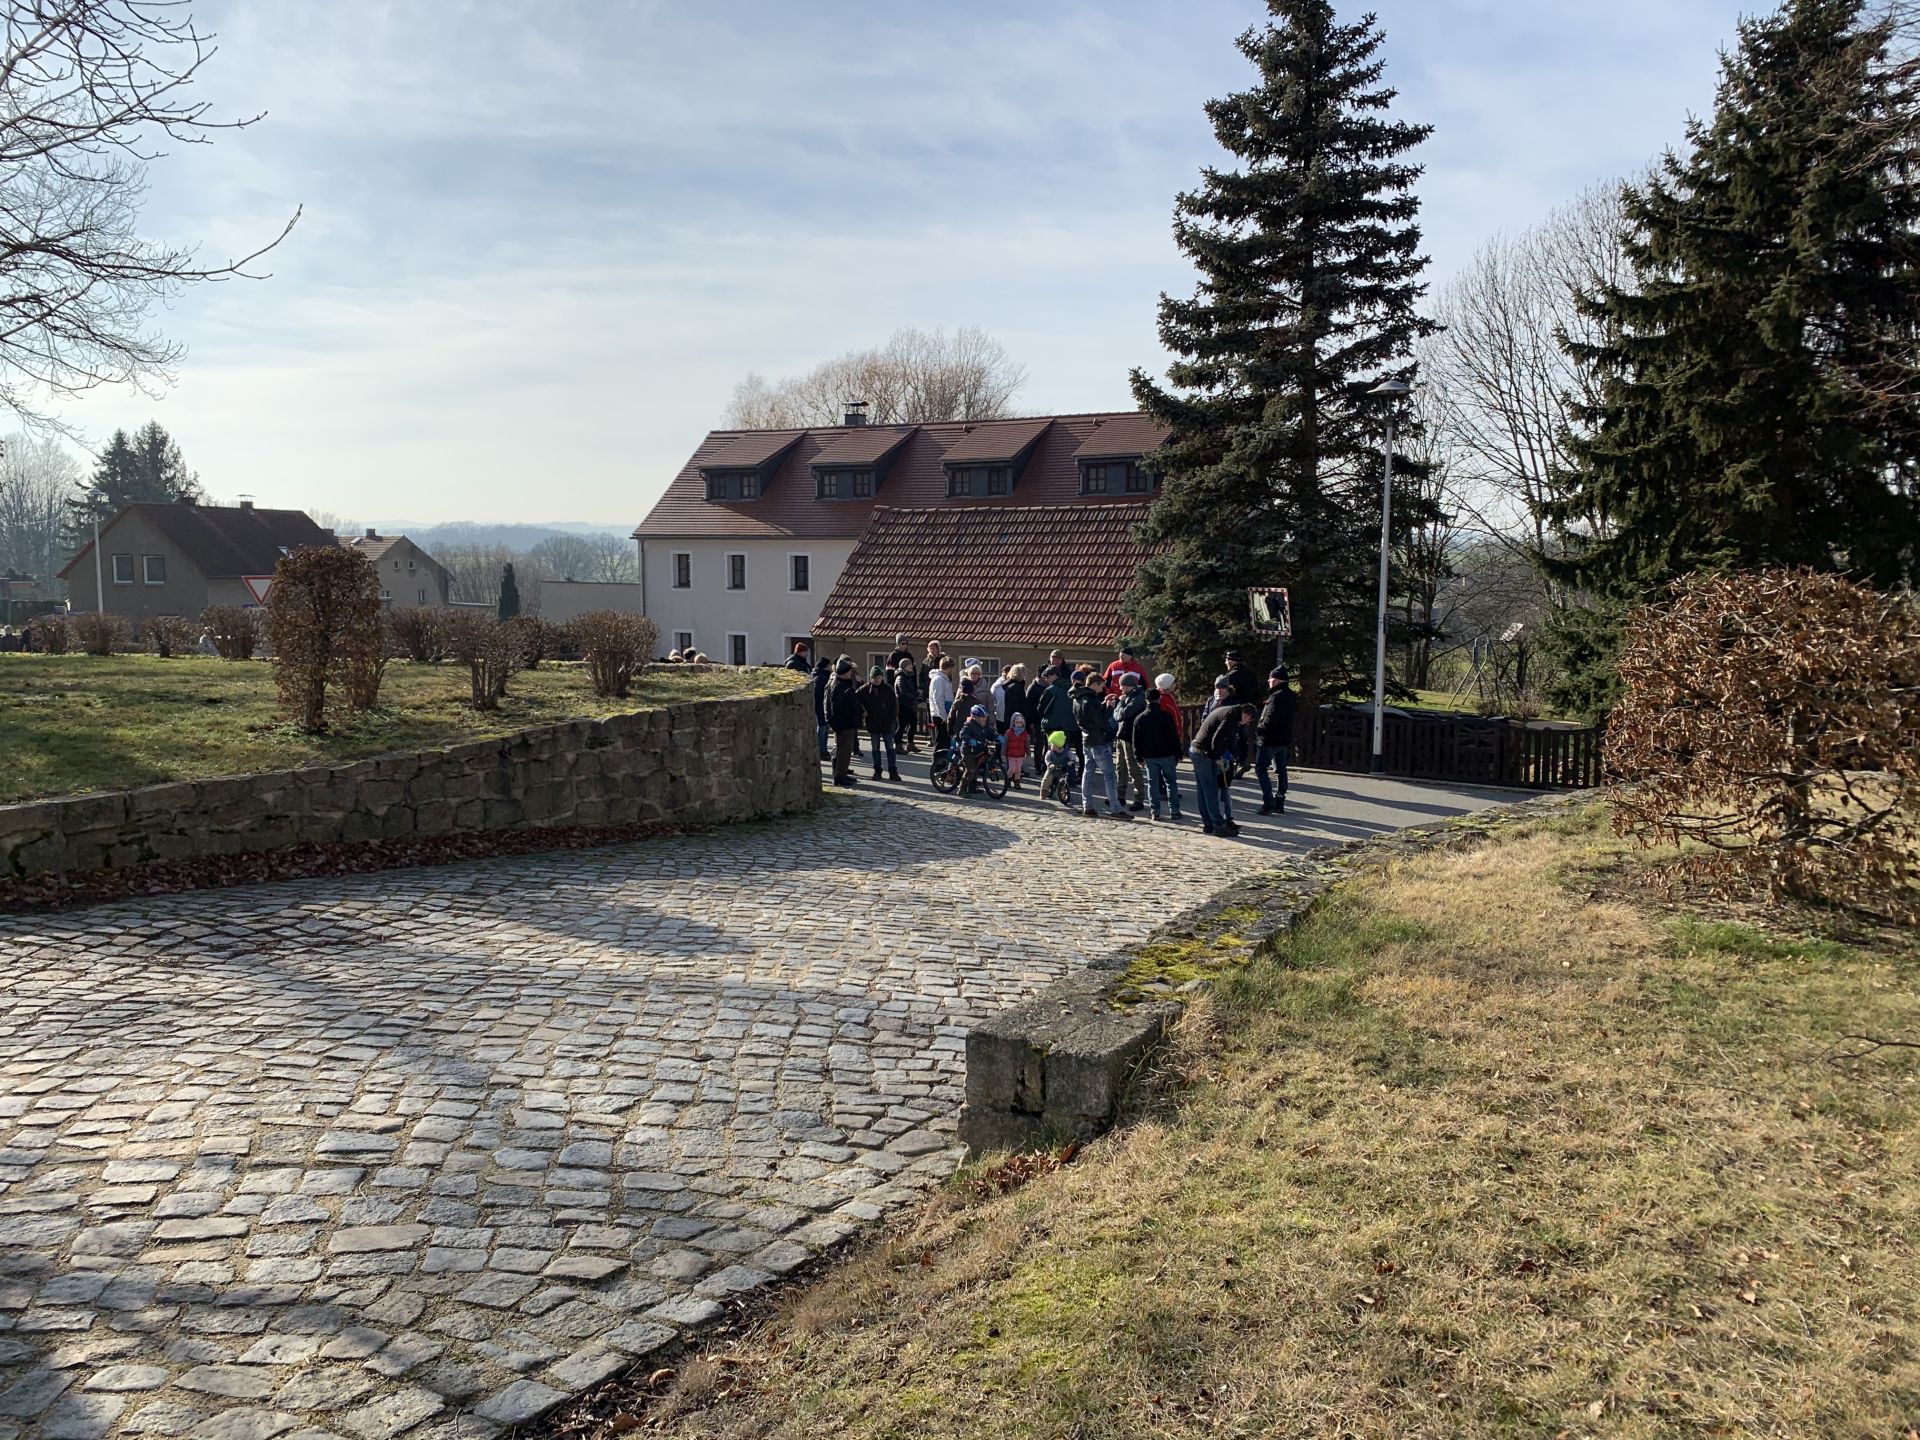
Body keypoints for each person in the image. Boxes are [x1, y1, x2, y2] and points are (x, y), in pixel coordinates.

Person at [1191, 679, 1250, 836]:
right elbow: (1219, 737)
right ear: (1245, 715)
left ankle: (1209, 823)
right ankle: (1218, 824)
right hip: (1204, 752)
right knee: (1210, 790)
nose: (1245, 724)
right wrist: (1217, 755)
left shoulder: (1227, 709)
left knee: (1203, 790)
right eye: (1247, 721)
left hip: (1198, 749)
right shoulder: (1231, 715)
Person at [1073, 669, 1130, 820]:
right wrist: (1110, 708)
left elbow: (1090, 717)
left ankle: (1088, 806)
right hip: (1099, 741)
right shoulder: (1090, 700)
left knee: (1088, 773)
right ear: (1095, 684)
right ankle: (1115, 808)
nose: (1102, 689)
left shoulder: (1078, 698)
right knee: (1109, 775)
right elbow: (1101, 723)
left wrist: (1104, 704)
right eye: (1101, 686)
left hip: (1087, 739)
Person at [1133, 679, 1184, 821]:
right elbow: (1173, 737)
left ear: (1146, 700)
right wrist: (1179, 753)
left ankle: (1155, 812)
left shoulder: (1140, 718)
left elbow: (1136, 740)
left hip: (1149, 756)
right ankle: (1175, 811)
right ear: (1159, 698)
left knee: (1152, 784)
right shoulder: (1166, 716)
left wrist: (1139, 757)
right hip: (1167, 754)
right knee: (1171, 783)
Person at [1256, 666, 1297, 814]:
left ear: (1278, 680)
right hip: (1284, 739)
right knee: (1281, 770)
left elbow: (1269, 718)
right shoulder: (1291, 695)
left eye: (1271, 678)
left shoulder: (1276, 696)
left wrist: (1258, 730)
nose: (1268, 681)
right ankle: (1280, 800)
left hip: (1269, 739)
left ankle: (1268, 801)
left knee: (1261, 769)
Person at [1111, 671, 1149, 811]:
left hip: (1131, 737)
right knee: (1120, 767)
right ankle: (1120, 796)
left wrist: (1119, 703)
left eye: (1122, 686)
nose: (1120, 688)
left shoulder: (1138, 698)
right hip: (1121, 735)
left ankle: (1139, 798)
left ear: (1129, 686)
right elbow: (1118, 715)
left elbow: (1122, 714)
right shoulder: (1128, 696)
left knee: (1133, 768)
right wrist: (1119, 706)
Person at [860, 666, 902, 782]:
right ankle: (877, 770)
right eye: (874, 678)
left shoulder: (888, 689)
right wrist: (862, 711)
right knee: (875, 749)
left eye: (879, 677)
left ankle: (893, 771)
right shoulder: (865, 690)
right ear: (871, 678)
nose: (877, 680)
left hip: (887, 723)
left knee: (890, 749)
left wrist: (892, 720)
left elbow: (894, 706)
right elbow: (855, 699)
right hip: (873, 724)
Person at [827, 660, 864, 787]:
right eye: (850, 671)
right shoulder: (838, 686)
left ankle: (842, 774)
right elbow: (835, 708)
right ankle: (839, 777)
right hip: (843, 725)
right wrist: (837, 724)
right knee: (843, 751)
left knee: (845, 752)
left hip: (847, 723)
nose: (851, 673)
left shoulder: (842, 684)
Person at [1039, 665, 1080, 774]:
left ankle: (1050, 774)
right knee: (1065, 751)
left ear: (1054, 675)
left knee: (1051, 751)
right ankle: (1068, 775)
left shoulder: (1050, 690)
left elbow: (1041, 708)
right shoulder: (1071, 688)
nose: (1047, 680)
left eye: (1047, 677)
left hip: (1051, 725)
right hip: (1068, 725)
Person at [955, 704, 996, 794]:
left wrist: (996, 737)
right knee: (971, 769)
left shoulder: (984, 726)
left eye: (985, 717)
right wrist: (970, 740)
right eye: (982, 717)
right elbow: (962, 733)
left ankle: (972, 788)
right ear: (976, 718)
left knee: (977, 768)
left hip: (978, 749)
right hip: (968, 750)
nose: (984, 719)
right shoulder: (969, 725)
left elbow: (989, 733)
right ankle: (961, 789)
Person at [927, 655, 957, 758]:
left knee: (945, 741)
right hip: (940, 715)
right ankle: (937, 764)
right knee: (941, 741)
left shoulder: (944, 679)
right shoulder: (939, 679)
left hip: (944, 712)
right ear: (949, 667)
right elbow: (938, 699)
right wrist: (944, 717)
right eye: (952, 669)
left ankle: (943, 763)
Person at [893, 656, 921, 752]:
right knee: (902, 725)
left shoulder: (908, 676)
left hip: (909, 704)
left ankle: (910, 743)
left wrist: (917, 694)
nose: (912, 667)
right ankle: (897, 745)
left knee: (913, 724)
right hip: (903, 705)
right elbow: (903, 692)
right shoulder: (900, 677)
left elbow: (910, 690)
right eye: (910, 665)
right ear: (904, 667)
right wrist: (914, 696)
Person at [1040, 729, 1074, 803]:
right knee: (1046, 779)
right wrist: (1050, 764)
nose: (1051, 745)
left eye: (1053, 744)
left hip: (1063, 768)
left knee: (1065, 779)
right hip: (1052, 768)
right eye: (1050, 743)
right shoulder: (1050, 752)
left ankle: (1063, 792)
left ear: (1059, 745)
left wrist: (1071, 761)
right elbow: (1047, 758)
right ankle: (1043, 792)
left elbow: (1072, 756)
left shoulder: (1066, 752)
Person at [812, 657, 833, 761]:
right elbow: (819, 695)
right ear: (825, 666)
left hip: (822, 706)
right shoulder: (820, 678)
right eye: (829, 666)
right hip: (821, 707)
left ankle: (823, 750)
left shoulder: (822, 676)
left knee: (824, 729)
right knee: (822, 729)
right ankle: (821, 750)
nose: (831, 668)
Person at [1003, 712, 1031, 786]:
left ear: (1023, 724)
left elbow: (1027, 745)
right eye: (1017, 722)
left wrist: (1028, 753)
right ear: (1013, 723)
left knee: (1018, 770)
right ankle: (1008, 778)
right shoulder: (1009, 732)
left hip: (1020, 755)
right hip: (1011, 755)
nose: (1018, 724)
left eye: (1020, 722)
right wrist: (1003, 753)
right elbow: (1004, 744)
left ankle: (1017, 781)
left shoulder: (1024, 733)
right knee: (1012, 768)